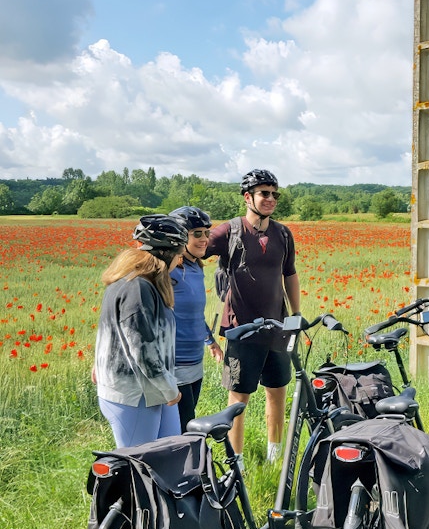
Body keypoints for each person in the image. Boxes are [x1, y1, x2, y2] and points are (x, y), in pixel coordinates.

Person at [205, 169, 300, 468]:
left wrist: (296, 316)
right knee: (238, 399)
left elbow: (290, 274)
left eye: (274, 194)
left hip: (277, 327)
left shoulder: (283, 234)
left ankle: (274, 458)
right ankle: (238, 463)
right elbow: (193, 251)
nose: (271, 199)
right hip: (240, 331)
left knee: (277, 392)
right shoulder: (228, 231)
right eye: (264, 193)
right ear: (248, 197)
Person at [93, 214, 188, 449]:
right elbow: (142, 349)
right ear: (166, 254)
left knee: (169, 455)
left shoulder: (140, 283)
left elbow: (114, 333)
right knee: (140, 467)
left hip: (151, 390)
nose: (181, 260)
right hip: (135, 394)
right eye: (179, 254)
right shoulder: (136, 288)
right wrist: (169, 388)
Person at [168, 207, 223, 432]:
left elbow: (195, 315)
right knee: (182, 428)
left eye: (206, 233)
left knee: (187, 422)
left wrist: (210, 341)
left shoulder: (195, 268)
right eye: (196, 233)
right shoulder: (170, 271)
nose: (204, 239)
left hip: (194, 363)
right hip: (174, 364)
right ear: (181, 236)